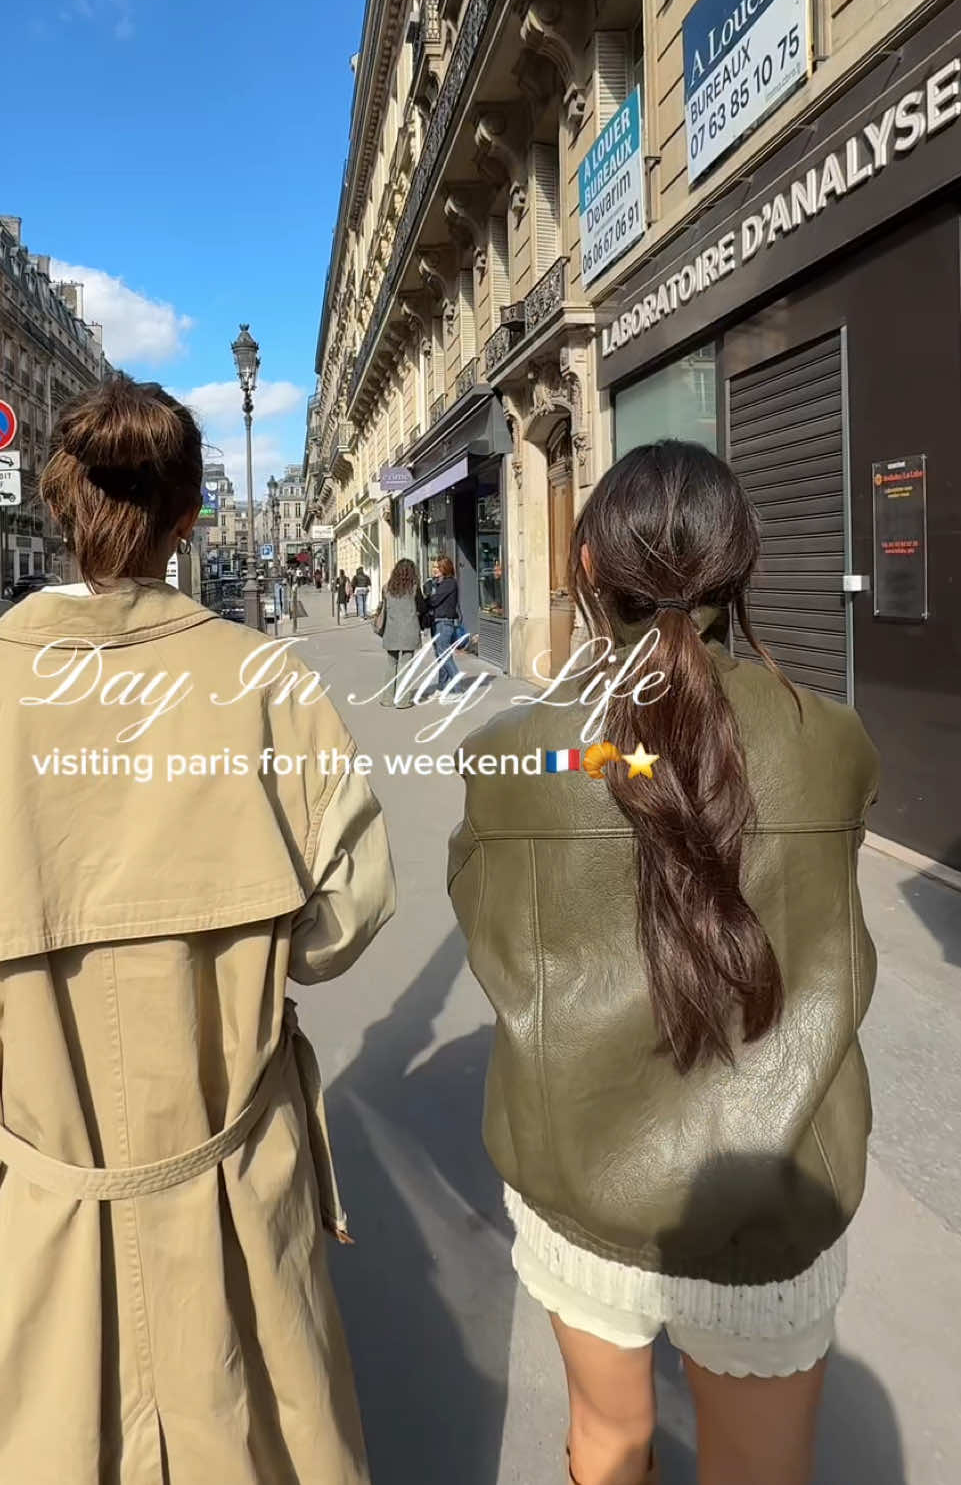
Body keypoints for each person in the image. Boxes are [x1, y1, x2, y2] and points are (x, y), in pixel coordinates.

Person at [0, 376, 396, 1485]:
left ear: (58, 510)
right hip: (225, 1191)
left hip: (16, 1201)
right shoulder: (268, 685)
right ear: (188, 519)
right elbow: (340, 926)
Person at [448, 440, 880, 1485]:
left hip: (578, 1171)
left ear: (589, 566)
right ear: (742, 568)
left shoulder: (524, 752)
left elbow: (488, 927)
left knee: (606, 1443)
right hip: (775, 1187)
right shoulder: (831, 743)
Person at [375, 558, 424, 709]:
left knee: (391, 664)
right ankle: (402, 700)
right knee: (406, 665)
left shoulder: (386, 588)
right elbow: (422, 607)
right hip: (409, 631)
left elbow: (383, 607)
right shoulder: (414, 588)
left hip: (391, 631)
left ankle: (387, 698)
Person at [423, 554, 464, 690]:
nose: (434, 569)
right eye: (434, 567)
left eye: (438, 567)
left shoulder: (449, 583)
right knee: (440, 656)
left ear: (445, 568)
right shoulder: (438, 583)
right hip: (437, 622)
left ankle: (457, 688)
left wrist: (427, 599)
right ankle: (442, 687)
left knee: (444, 655)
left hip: (444, 623)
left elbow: (434, 600)